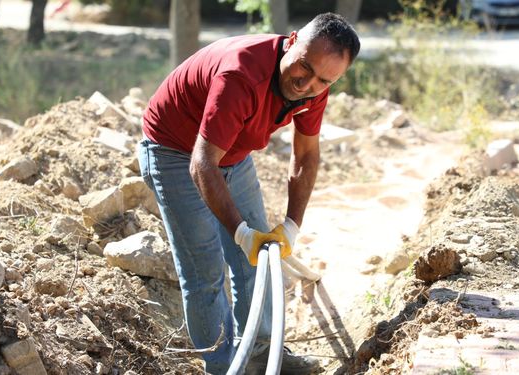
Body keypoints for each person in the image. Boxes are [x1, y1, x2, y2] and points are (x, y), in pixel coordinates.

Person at [138, 12, 360, 374]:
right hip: (174, 150)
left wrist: (290, 225)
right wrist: (240, 233)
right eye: (304, 68)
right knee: (205, 272)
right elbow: (202, 164)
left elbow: (305, 154)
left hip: (230, 154)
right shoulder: (241, 74)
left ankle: (260, 353)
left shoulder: (316, 85)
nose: (307, 85)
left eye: (324, 80)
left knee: (262, 256)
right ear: (291, 42)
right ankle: (222, 367)